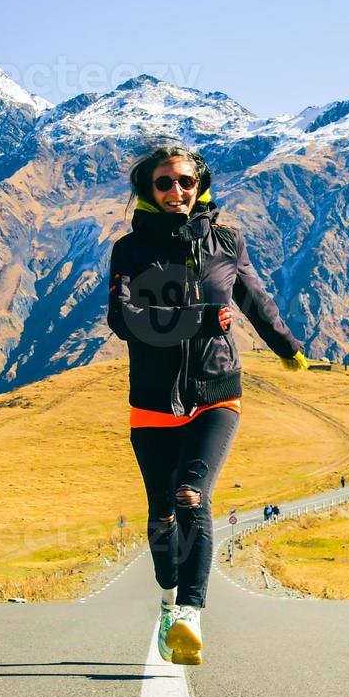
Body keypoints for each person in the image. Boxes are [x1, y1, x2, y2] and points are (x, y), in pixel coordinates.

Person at [107, 144, 308, 666]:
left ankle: (190, 617)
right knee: (160, 519)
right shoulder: (129, 251)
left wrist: (287, 347)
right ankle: (169, 598)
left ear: (202, 185)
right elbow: (123, 319)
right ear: (147, 190)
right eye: (165, 183)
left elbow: (255, 299)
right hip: (152, 400)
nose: (178, 191)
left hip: (216, 390)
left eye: (187, 181)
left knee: (190, 496)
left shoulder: (226, 243)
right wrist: (197, 319)